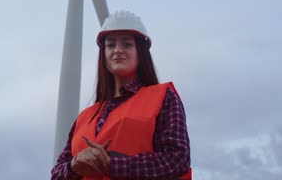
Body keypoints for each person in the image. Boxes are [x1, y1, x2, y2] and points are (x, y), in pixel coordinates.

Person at [51, 10, 191, 179]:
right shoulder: (83, 118)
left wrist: (111, 165)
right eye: (110, 45)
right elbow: (57, 172)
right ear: (103, 53)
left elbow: (177, 159)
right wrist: (73, 166)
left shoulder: (163, 97)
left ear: (141, 51)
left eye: (127, 44)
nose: (118, 50)